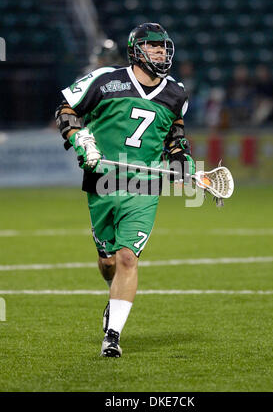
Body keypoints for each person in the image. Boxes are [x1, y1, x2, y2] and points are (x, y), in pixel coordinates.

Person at [55, 22, 194, 358]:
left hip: (143, 185)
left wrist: (181, 160)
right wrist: (81, 139)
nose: (161, 52)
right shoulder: (105, 79)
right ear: (136, 50)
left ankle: (112, 336)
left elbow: (174, 138)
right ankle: (110, 289)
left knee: (128, 258)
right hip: (102, 180)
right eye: (153, 46)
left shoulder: (176, 94)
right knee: (108, 261)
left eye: (164, 46)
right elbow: (65, 110)